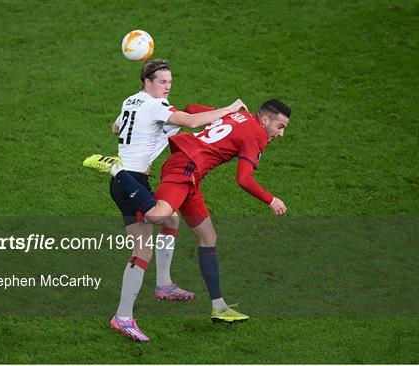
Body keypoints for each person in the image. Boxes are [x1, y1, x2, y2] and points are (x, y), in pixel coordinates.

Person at [84, 98, 291, 328]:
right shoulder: (257, 134)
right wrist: (271, 200)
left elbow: (192, 109)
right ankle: (116, 169)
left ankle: (218, 306)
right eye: (279, 127)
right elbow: (243, 178)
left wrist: (224, 111)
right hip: (186, 168)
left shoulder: (235, 114)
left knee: (207, 235)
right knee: (157, 215)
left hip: (192, 172)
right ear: (265, 119)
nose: (281, 134)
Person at [90, 58, 248, 342]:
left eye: (170, 83)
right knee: (142, 251)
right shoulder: (155, 105)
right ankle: (123, 317)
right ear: (147, 81)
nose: (167, 87)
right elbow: (191, 121)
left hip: (128, 181)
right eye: (162, 82)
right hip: (131, 181)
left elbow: (116, 128)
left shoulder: (132, 100)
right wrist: (231, 108)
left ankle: (163, 284)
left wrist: (156, 131)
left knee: (171, 218)